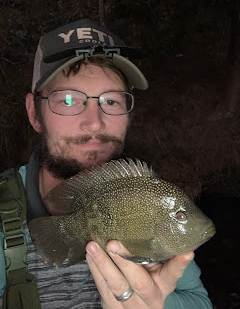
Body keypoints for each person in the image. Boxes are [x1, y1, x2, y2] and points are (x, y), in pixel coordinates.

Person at [0, 18, 213, 309]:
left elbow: (199, 301)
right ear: (34, 114)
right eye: (69, 100)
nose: (94, 122)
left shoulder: (148, 191)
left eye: (111, 101)